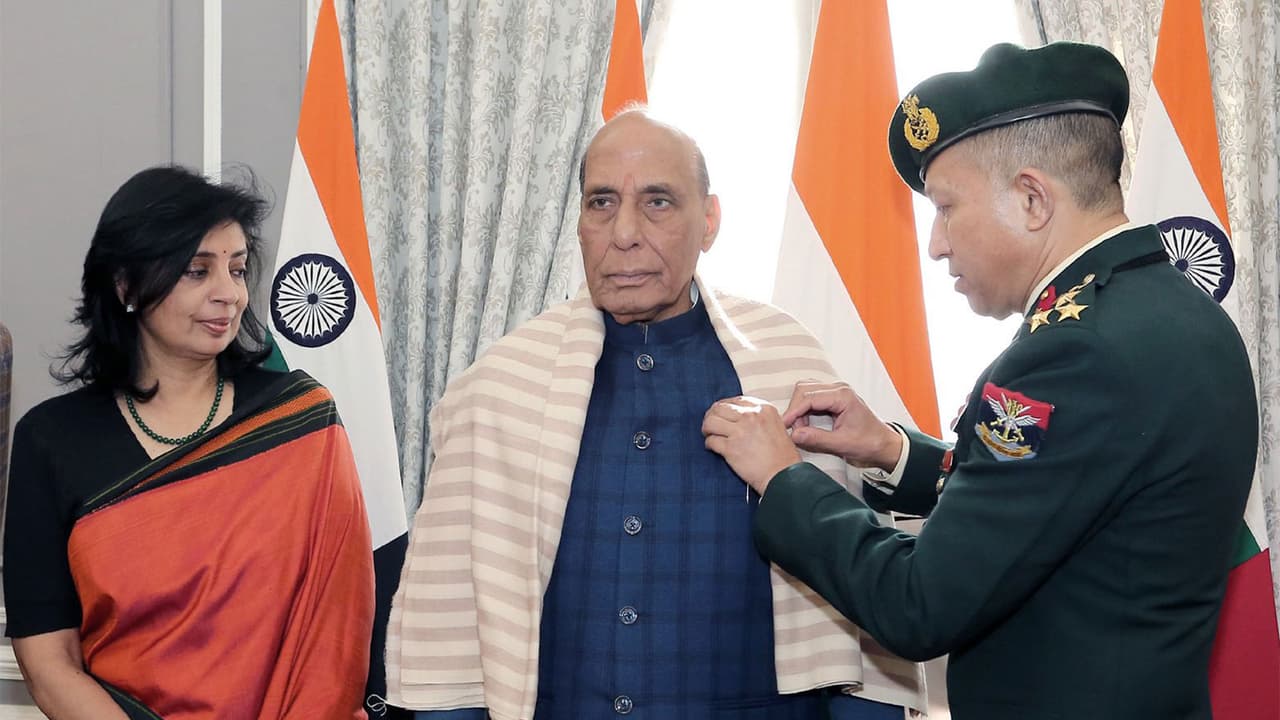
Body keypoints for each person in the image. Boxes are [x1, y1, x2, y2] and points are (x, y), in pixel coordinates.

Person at [702, 42, 1258, 719]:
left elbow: (917, 602)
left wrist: (783, 477)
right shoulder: (1178, 312)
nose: (936, 244)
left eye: (946, 207)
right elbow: (1064, 494)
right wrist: (891, 451)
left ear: (1031, 198)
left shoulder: (1073, 352)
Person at [384, 109, 925, 719]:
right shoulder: (501, 388)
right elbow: (452, 651)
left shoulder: (785, 367)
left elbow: (855, 641)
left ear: (709, 221)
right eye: (602, 203)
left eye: (658, 202)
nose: (624, 233)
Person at [3, 166, 375, 719]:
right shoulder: (51, 439)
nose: (229, 294)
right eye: (198, 271)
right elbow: (47, 659)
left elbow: (337, 631)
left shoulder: (299, 423)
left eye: (237, 269)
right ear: (127, 285)